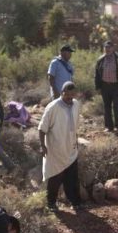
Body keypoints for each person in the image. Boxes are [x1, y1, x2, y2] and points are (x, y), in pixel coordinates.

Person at [39, 81, 82, 210]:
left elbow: (75, 125)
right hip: (55, 149)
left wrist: (76, 139)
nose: (70, 98)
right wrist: (43, 146)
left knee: (72, 177)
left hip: (70, 147)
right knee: (55, 177)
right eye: (67, 95)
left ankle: (75, 203)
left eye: (72, 95)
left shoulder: (76, 105)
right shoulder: (53, 107)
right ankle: (51, 204)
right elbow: (42, 128)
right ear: (62, 93)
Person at [94, 40, 118, 133]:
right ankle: (109, 127)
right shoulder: (100, 60)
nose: (107, 49)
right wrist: (98, 87)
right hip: (105, 86)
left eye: (109, 47)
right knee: (107, 107)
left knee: (117, 106)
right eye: (106, 47)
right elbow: (97, 74)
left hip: (116, 87)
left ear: (113, 48)